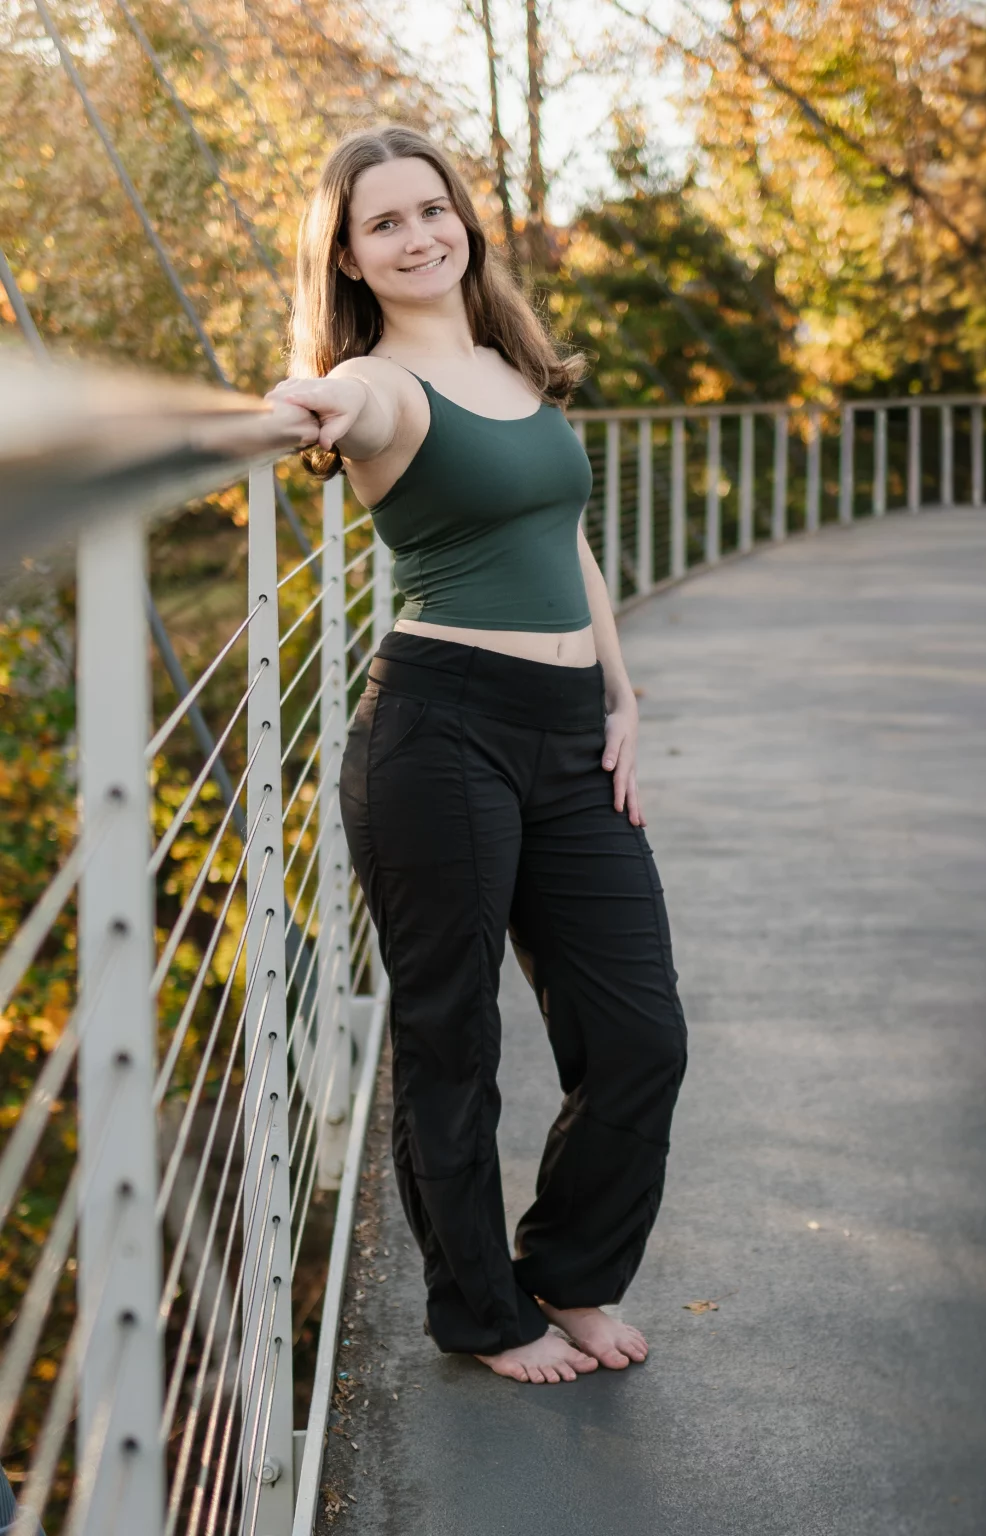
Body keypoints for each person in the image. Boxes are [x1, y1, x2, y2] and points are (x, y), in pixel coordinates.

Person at [268, 124, 687, 1387]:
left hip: (568, 736)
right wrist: (306, 401)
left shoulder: (515, 361)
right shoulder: (384, 383)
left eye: (429, 209)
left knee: (640, 1037)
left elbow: (567, 543)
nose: (416, 236)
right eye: (381, 223)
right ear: (346, 256)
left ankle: (565, 1266)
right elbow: (344, 403)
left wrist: (619, 696)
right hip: (439, 729)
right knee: (453, 1042)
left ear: (463, 218)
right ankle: (482, 1311)